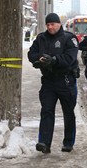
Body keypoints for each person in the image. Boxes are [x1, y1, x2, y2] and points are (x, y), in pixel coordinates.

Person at [28, 13, 79, 154]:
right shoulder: (41, 38)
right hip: (49, 81)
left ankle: (68, 142)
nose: (50, 27)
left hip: (66, 81)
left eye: (53, 24)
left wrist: (54, 60)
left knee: (68, 113)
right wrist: (39, 59)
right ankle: (44, 142)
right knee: (46, 111)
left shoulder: (69, 38)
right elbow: (31, 54)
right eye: (48, 24)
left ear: (59, 24)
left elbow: (70, 58)